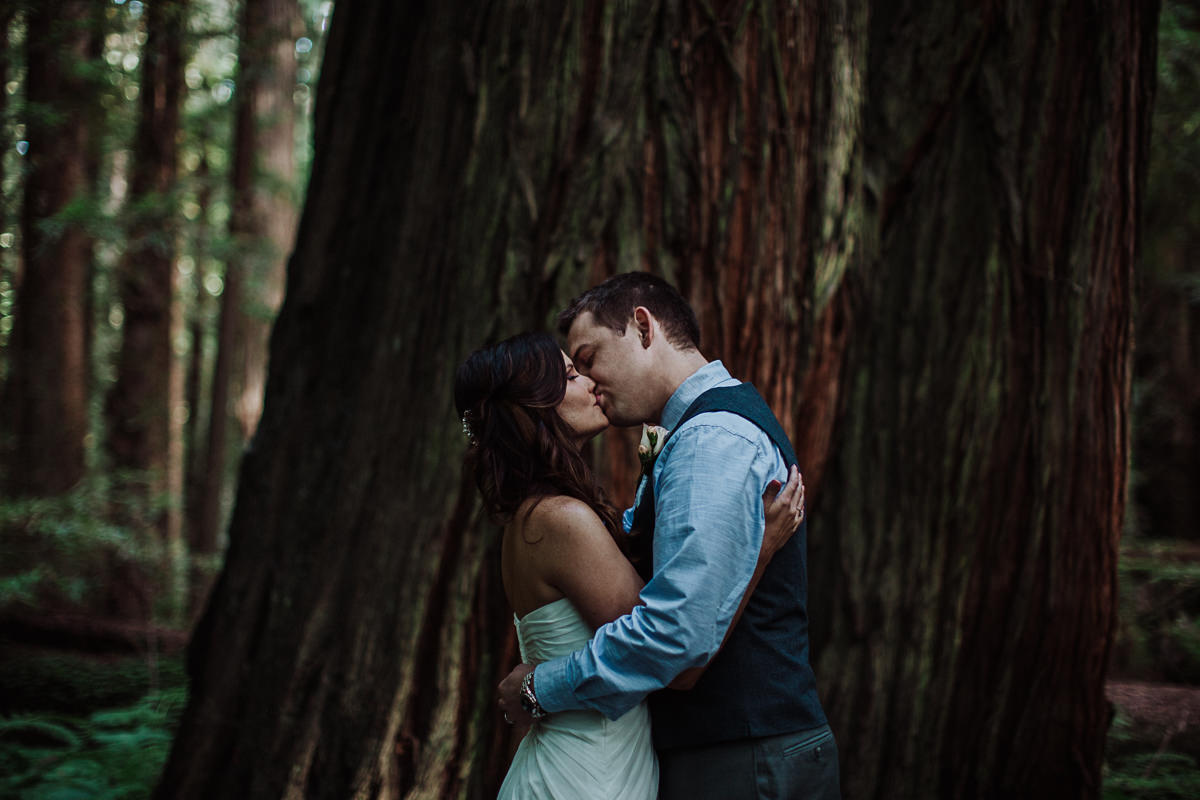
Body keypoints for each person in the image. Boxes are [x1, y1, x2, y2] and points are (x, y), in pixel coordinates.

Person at [497, 273, 840, 799]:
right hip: (729, 752)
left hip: (745, 754)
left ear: (642, 327)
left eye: (589, 359)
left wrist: (540, 687)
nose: (590, 383)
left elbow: (676, 634)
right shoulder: (690, 438)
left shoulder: (710, 440)